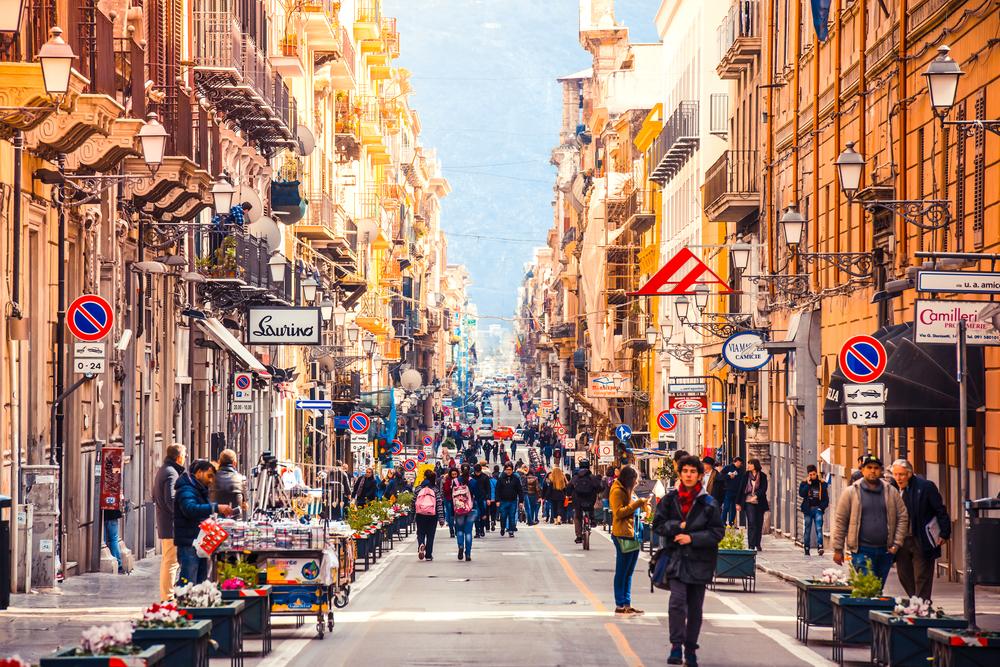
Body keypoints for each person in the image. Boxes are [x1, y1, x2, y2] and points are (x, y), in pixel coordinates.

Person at [653, 455, 725, 667]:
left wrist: (692, 538)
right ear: (680, 474)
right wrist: (677, 527)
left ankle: (691, 649)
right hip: (676, 559)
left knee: (695, 608)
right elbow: (658, 525)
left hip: (700, 562)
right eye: (685, 471)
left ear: (700, 476)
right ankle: (676, 646)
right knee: (676, 603)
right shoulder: (670, 500)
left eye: (693, 472)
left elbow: (717, 532)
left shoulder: (709, 503)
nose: (689, 475)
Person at [831, 454, 909, 586]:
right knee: (868, 587)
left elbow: (902, 516)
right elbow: (841, 521)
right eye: (869, 467)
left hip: (885, 551)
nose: (873, 471)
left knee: (877, 589)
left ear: (881, 471)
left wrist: (897, 544)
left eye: (876, 468)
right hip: (861, 551)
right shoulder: (851, 492)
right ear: (862, 470)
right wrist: (838, 549)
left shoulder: (891, 492)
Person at [891, 458, 950, 601]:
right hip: (902, 540)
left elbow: (940, 510)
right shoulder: (892, 489)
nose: (898, 478)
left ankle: (922, 604)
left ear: (910, 474)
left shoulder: (925, 487)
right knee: (903, 574)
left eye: (902, 474)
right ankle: (916, 601)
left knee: (922, 576)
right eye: (896, 474)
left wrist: (945, 532)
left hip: (921, 538)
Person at [174, 459, 233, 585]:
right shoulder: (186, 489)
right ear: (199, 472)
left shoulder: (197, 489)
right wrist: (216, 507)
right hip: (189, 543)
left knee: (200, 583)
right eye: (209, 475)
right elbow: (190, 509)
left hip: (198, 542)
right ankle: (185, 603)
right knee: (188, 583)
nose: (211, 480)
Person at [610, 465, 649, 615]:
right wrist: (638, 504)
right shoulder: (617, 491)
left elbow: (634, 508)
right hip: (622, 534)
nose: (637, 482)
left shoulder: (629, 491)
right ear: (629, 479)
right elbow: (619, 513)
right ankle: (620, 604)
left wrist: (645, 507)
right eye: (635, 480)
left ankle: (627, 603)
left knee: (629, 572)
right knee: (622, 571)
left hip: (634, 534)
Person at [153, 443, 185, 600]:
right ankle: (168, 597)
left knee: (169, 560)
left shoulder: (164, 470)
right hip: (171, 525)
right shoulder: (171, 473)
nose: (184, 459)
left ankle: (167, 595)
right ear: (179, 457)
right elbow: (171, 499)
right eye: (184, 456)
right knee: (171, 562)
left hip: (166, 523)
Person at [567, 459, 603, 544]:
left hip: (578, 500)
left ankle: (579, 536)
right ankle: (593, 520)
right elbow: (599, 487)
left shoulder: (575, 477)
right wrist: (598, 492)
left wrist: (568, 494)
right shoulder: (592, 477)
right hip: (590, 499)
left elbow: (569, 487)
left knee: (577, 516)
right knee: (590, 508)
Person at [737, 458, 769, 551]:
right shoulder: (746, 475)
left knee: (759, 523)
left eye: (750, 464)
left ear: (755, 465)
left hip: (759, 502)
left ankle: (757, 544)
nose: (749, 466)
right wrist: (738, 503)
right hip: (748, 501)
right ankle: (751, 545)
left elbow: (764, 488)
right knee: (751, 523)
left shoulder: (762, 476)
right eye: (748, 464)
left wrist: (756, 496)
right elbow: (741, 489)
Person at [799, 464, 829, 556]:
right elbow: (802, 494)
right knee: (807, 529)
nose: (812, 476)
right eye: (810, 475)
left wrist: (821, 508)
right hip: (808, 509)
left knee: (819, 528)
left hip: (817, 509)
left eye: (814, 474)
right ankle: (806, 548)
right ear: (808, 475)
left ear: (816, 473)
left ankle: (820, 546)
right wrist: (808, 485)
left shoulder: (822, 483)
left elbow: (826, 499)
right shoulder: (804, 483)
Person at [415, 470, 445, 561]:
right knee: (430, 535)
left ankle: (421, 544)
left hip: (420, 514)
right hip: (432, 515)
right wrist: (441, 519)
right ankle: (428, 555)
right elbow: (439, 504)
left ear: (424, 477)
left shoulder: (418, 488)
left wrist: (413, 515)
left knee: (420, 532)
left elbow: (413, 502)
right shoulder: (435, 489)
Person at [452, 464, 477, 560]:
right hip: (470, 509)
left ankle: (460, 546)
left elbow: (452, 497)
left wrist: (451, 512)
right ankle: (468, 553)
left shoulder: (455, 481)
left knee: (459, 530)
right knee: (468, 532)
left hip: (459, 509)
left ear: (460, 471)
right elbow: (477, 495)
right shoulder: (473, 482)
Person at [213, 449, 246, 517]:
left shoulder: (211, 478)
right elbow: (245, 505)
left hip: (214, 522)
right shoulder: (241, 479)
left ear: (219, 462)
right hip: (235, 522)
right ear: (234, 463)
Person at [496, 462, 523, 537]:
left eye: (510, 469)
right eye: (507, 469)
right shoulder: (501, 479)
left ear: (512, 470)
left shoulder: (515, 479)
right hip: (503, 501)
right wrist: (497, 500)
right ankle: (502, 527)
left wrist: (521, 501)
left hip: (513, 501)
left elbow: (520, 490)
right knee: (503, 516)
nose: (508, 471)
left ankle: (511, 530)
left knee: (512, 516)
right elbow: (497, 490)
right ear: (505, 470)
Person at [718, 456, 744, 525]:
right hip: (728, 490)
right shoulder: (728, 467)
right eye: (739, 463)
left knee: (733, 508)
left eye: (741, 463)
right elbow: (720, 477)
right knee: (726, 507)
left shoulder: (740, 470)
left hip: (737, 491)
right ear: (736, 462)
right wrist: (728, 476)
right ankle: (723, 522)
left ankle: (731, 522)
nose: (740, 464)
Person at [470, 463, 491, 537]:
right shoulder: (472, 477)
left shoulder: (485, 477)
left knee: (483, 515)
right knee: (476, 515)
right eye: (476, 472)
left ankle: (482, 529)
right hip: (475, 498)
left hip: (483, 498)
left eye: (479, 472)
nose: (478, 473)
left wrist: (488, 498)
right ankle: (477, 531)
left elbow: (488, 488)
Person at [103, 506, 125, 574]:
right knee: (114, 540)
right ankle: (118, 564)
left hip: (102, 515)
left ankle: (105, 562)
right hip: (112, 515)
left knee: (103, 540)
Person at [442, 467, 460, 537]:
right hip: (449, 499)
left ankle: (456, 529)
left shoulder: (459, 480)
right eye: (453, 474)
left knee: (457, 515)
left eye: (455, 474)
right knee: (450, 515)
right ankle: (451, 530)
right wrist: (451, 487)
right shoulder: (448, 480)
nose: (454, 475)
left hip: (457, 500)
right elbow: (445, 490)